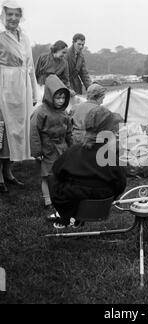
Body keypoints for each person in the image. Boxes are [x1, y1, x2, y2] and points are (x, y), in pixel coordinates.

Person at [49, 107, 127, 229]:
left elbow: (56, 171)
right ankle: (74, 217)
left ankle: (66, 215)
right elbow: (121, 183)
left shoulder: (73, 151)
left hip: (71, 199)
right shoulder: (110, 156)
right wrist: (112, 195)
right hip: (102, 201)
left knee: (54, 178)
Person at [0, 0, 38, 193]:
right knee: (2, 130)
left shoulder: (25, 38)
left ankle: (8, 172)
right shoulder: (0, 36)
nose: (13, 18)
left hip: (21, 91)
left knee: (14, 133)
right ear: (3, 15)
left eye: (16, 15)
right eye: (9, 15)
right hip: (4, 90)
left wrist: (33, 90)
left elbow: (30, 67)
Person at [30, 75, 73, 217]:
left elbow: (68, 131)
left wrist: (71, 146)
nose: (61, 101)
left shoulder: (63, 111)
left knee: (60, 173)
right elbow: (34, 131)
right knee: (46, 175)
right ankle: (48, 201)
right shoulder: (40, 111)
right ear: (49, 95)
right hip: (47, 148)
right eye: (57, 97)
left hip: (62, 146)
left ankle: (61, 196)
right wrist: (37, 151)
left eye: (63, 97)